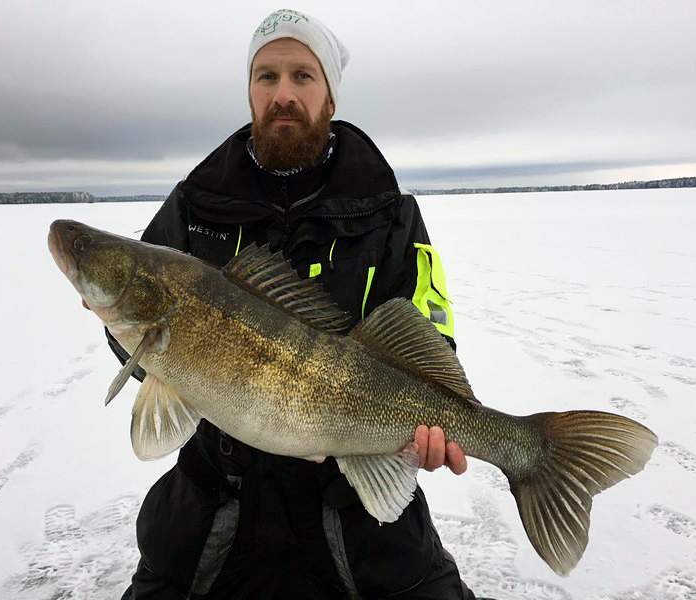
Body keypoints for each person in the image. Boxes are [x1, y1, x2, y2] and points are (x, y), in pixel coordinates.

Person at [111, 9, 484, 599]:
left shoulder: (391, 214)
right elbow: (137, 343)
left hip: (357, 516)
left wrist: (439, 429)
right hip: (216, 502)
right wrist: (119, 323)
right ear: (250, 93)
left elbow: (428, 341)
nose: (283, 94)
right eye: (266, 77)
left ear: (329, 96)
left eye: (302, 76)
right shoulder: (192, 206)